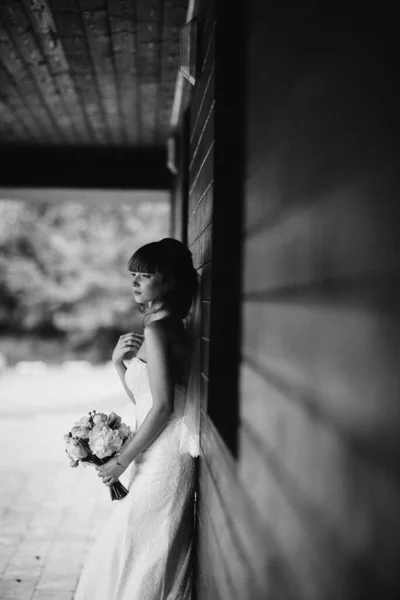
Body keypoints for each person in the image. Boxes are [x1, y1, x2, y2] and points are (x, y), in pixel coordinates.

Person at [74, 238, 199, 600]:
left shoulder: (162, 329)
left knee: (145, 549)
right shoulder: (162, 324)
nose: (135, 283)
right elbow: (147, 401)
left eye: (145, 275)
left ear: (171, 281)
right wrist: (118, 364)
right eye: (133, 275)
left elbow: (163, 408)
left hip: (164, 460)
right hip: (153, 450)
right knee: (134, 544)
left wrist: (119, 460)